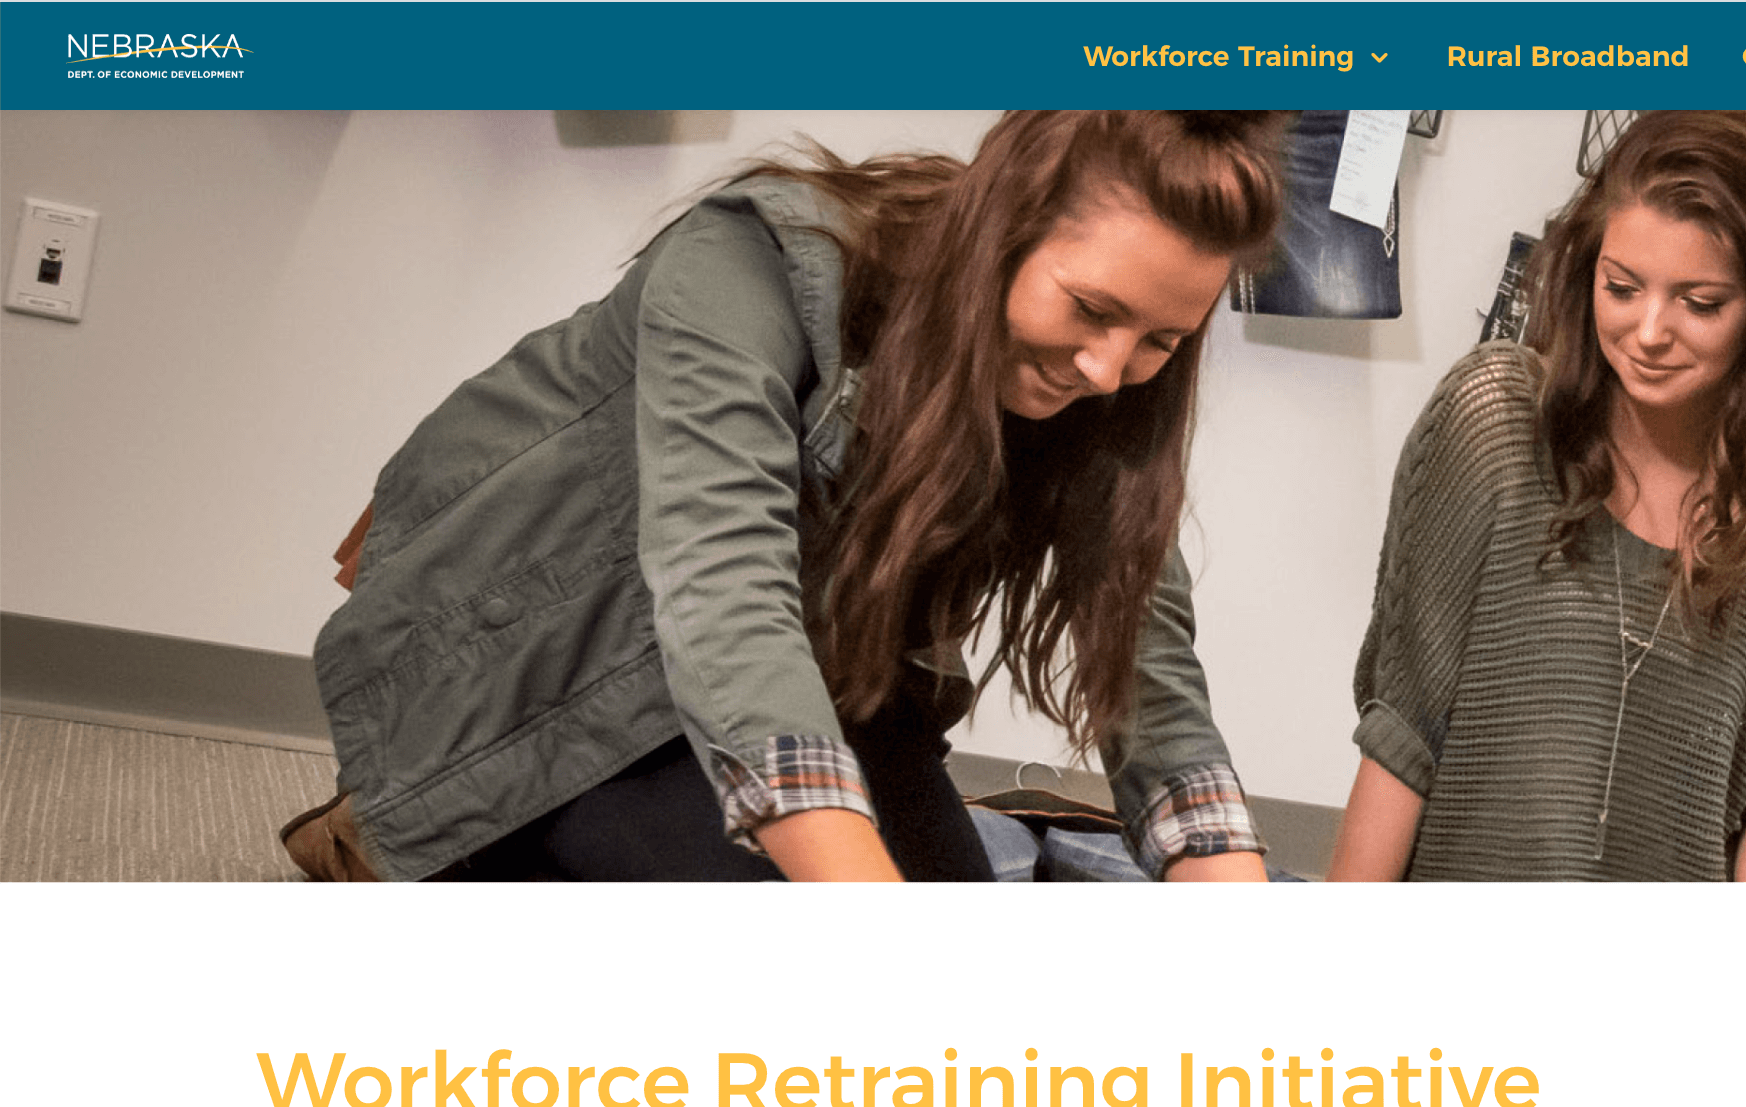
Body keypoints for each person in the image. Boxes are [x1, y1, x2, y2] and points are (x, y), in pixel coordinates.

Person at [297, 111, 1286, 882]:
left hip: (819, 681)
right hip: (550, 669)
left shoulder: (1102, 399)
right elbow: (723, 589)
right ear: (1004, 226)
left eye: (1160, 341)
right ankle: (393, 826)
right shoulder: (751, 257)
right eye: (1092, 309)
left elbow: (1150, 673)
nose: (1109, 371)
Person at [1328, 110, 1746, 881]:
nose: (1649, 331)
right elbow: (1401, 737)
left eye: (1701, 303)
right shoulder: (1493, 425)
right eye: (1622, 287)